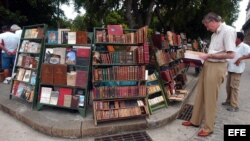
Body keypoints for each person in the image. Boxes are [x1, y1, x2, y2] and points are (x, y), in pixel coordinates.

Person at [182, 12, 236, 137]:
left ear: (213, 21)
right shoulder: (214, 34)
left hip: (217, 67)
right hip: (208, 65)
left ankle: (209, 127)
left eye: (207, 25)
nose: (207, 28)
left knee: (210, 98)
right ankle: (195, 120)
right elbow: (214, 51)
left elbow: (231, 54)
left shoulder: (228, 31)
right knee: (200, 94)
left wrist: (210, 55)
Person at [222, 32, 250, 112]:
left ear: (239, 38)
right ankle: (228, 101)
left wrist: (240, 59)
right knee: (228, 87)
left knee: (234, 88)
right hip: (231, 69)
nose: (233, 39)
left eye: (235, 37)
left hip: (237, 71)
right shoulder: (233, 46)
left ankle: (234, 106)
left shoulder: (245, 46)